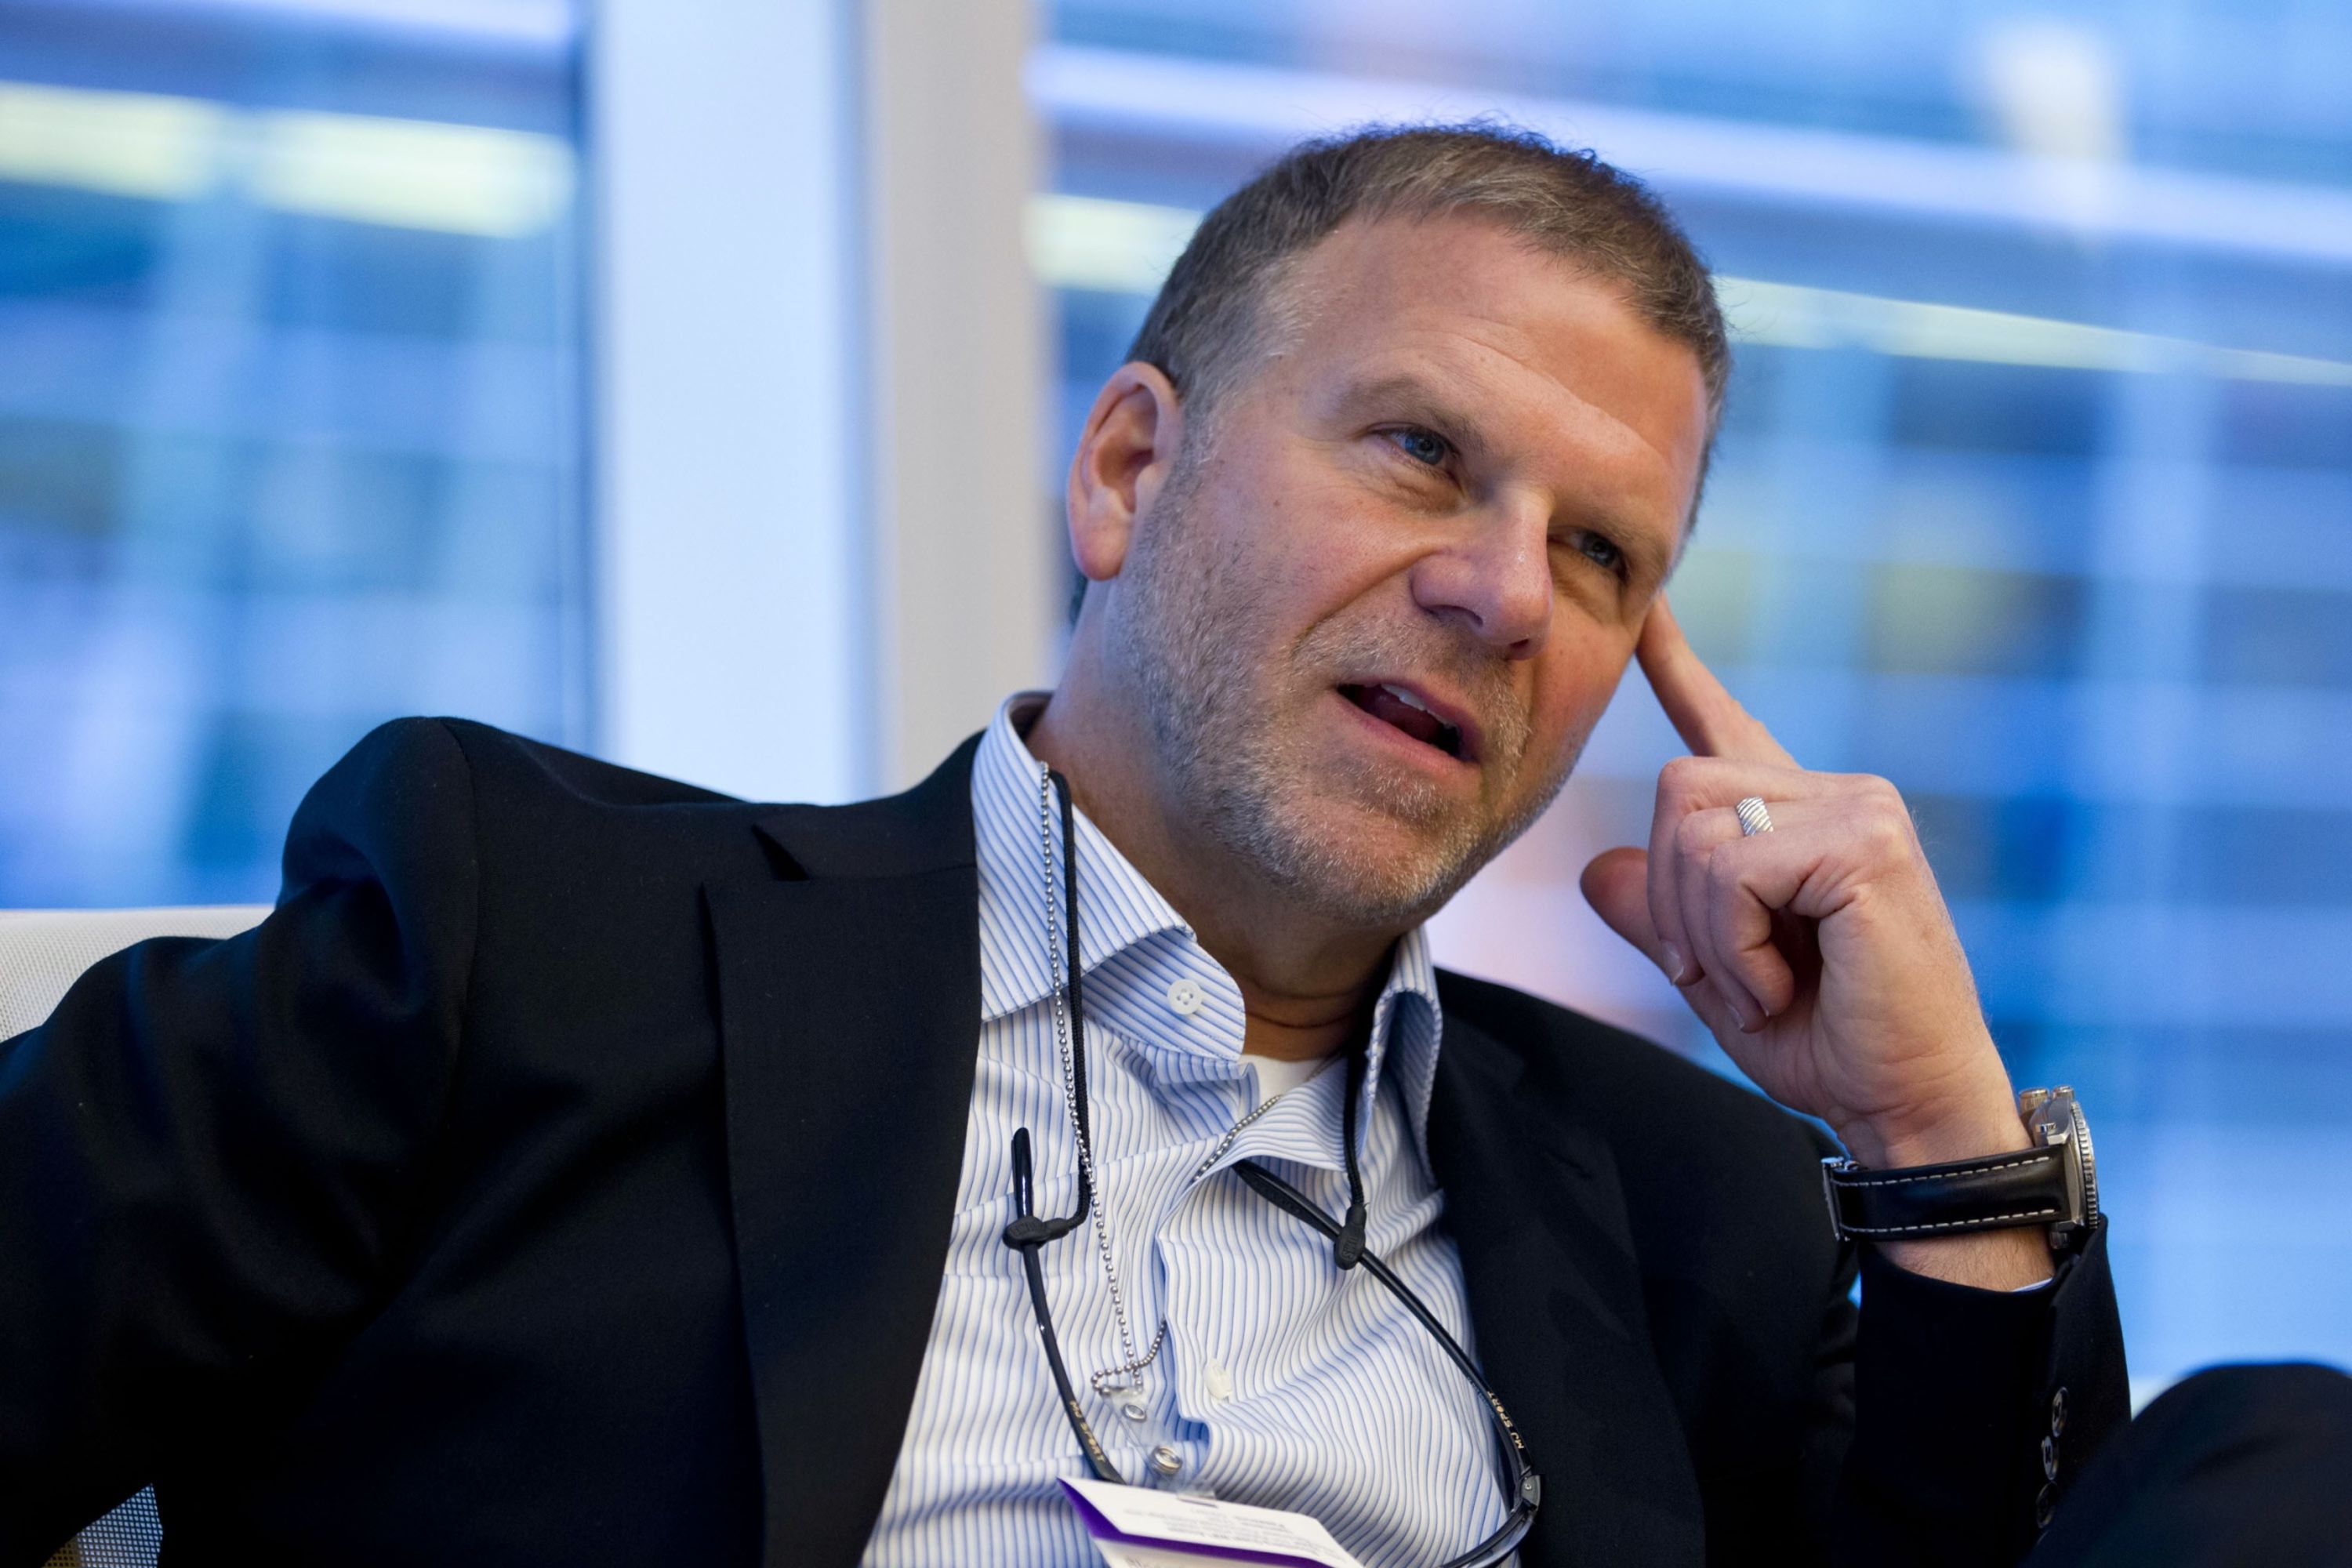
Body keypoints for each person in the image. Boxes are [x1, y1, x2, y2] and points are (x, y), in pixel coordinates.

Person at [4, 125, 2331, 1568]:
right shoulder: (524, 927)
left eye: (1604, 555)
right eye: (1423, 454)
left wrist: (1934, 1139)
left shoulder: (1676, 1213)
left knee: (2282, 1458)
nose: (1511, 592)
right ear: (1129, 470)